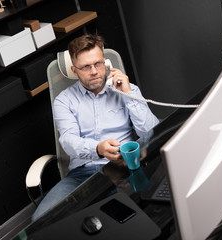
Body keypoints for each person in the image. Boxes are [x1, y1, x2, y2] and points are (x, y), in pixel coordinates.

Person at [32, 34, 159, 221]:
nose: (94, 71)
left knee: (142, 212)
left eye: (98, 64)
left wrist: (129, 95)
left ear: (106, 63)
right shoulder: (64, 100)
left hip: (124, 168)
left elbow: (152, 131)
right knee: (41, 220)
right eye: (85, 67)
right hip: (83, 174)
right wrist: (98, 149)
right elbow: (68, 141)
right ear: (75, 71)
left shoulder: (127, 89)